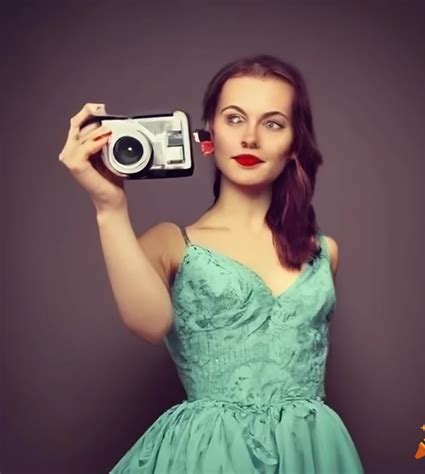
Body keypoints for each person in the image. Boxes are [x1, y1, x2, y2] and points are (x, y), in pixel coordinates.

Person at [59, 53, 364, 473]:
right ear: (208, 136)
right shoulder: (170, 243)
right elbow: (148, 324)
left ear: (294, 145)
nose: (250, 138)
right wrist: (109, 207)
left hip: (311, 452)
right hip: (211, 456)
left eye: (272, 123)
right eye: (235, 119)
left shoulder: (324, 252)